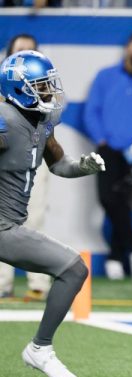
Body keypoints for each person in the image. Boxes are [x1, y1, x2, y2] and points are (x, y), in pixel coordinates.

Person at [0, 50, 106, 377]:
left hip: (10, 226)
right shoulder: (5, 120)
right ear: (19, 89)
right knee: (73, 268)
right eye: (41, 87)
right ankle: (40, 348)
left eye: (49, 85)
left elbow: (58, 164)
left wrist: (82, 167)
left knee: (73, 270)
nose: (49, 93)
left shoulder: (41, 123)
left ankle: (40, 348)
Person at [84, 30, 132, 281]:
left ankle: (116, 256)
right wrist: (101, 138)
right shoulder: (106, 77)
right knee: (108, 198)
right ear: (128, 47)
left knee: (125, 204)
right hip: (108, 149)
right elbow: (91, 110)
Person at [0, 34, 54, 301]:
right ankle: (2, 284)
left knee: (36, 215)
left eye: (30, 51)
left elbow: (52, 115)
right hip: (4, 158)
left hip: (33, 154)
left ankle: (39, 283)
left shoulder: (44, 83)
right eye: (19, 50)